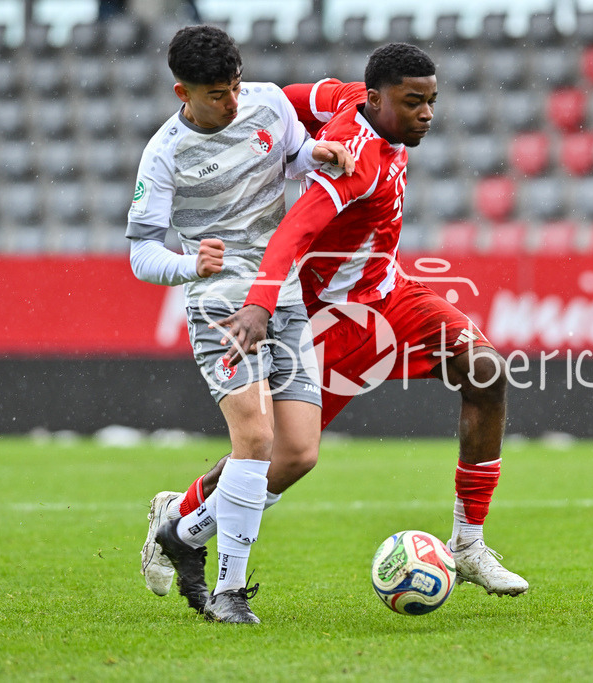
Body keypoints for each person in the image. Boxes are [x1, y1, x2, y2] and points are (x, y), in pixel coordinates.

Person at [144, 42, 528, 605]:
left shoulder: (347, 97)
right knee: (284, 458)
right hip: (332, 319)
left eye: (431, 101)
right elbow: (293, 233)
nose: (427, 114)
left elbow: (275, 101)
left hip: (391, 294)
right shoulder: (353, 167)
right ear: (378, 99)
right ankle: (181, 516)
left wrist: (276, 131)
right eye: (414, 102)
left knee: (487, 371)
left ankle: (468, 543)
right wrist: (260, 300)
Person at [126, 24, 353, 624]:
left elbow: (294, 153)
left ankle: (183, 529)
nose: (231, 101)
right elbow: (141, 252)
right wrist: (186, 263)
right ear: (183, 93)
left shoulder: (270, 100)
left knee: (298, 452)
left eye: (234, 86)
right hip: (221, 304)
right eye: (216, 94)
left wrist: (317, 153)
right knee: (254, 439)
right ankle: (229, 591)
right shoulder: (165, 152)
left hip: (284, 291)